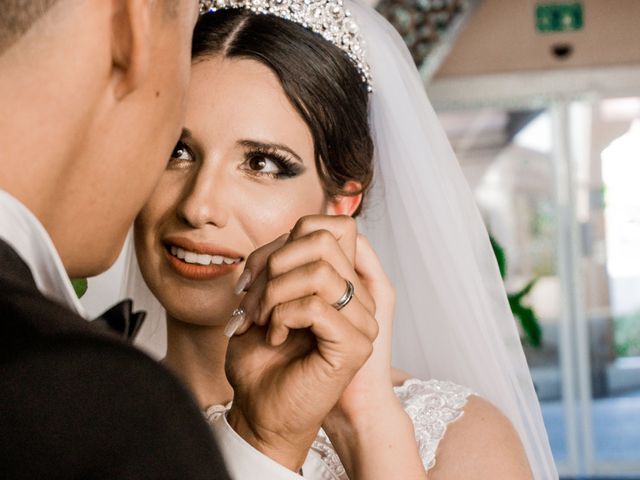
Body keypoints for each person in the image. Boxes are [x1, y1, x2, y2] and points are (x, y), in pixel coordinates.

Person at [125, 0, 559, 478]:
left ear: (341, 203)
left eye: (262, 164)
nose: (198, 205)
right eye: (177, 151)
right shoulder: (73, 410)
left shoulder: (455, 438)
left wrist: (365, 422)